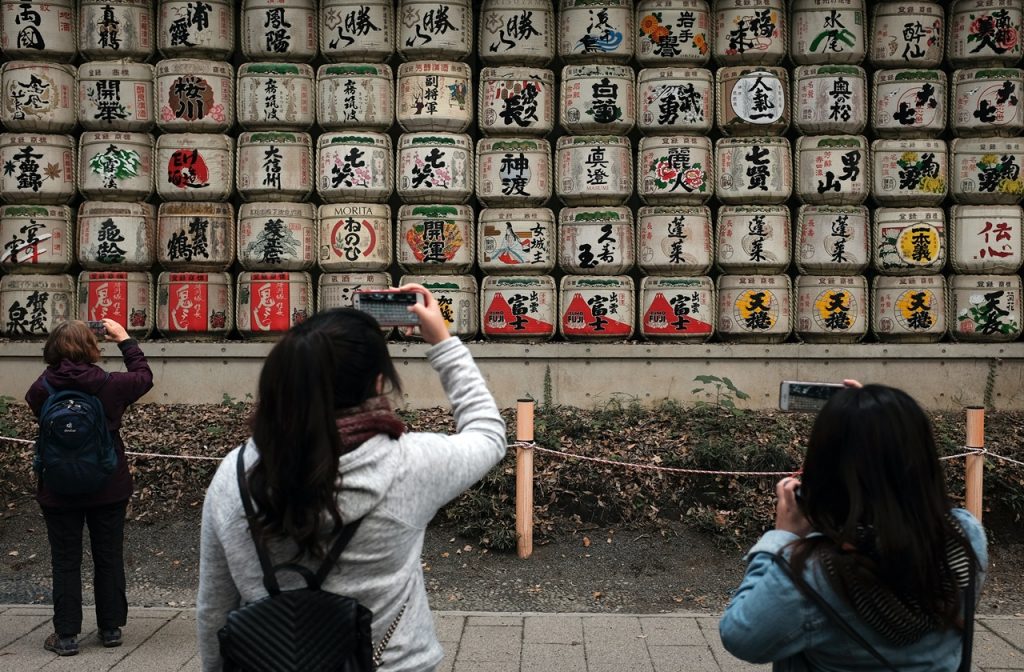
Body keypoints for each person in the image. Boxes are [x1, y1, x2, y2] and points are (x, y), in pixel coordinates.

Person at [196, 284, 507, 672]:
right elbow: (489, 435)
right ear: (378, 382)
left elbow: (215, 608)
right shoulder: (411, 466)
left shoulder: (237, 473)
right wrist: (442, 340)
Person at [720, 382, 988, 671]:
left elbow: (740, 636)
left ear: (824, 469)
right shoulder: (964, 534)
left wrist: (780, 538)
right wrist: (880, 419)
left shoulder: (811, 575)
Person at [26, 319, 154, 656]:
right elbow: (144, 376)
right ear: (93, 349)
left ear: (52, 349)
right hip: (108, 484)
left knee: (65, 560)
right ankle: (110, 629)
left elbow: (36, 407)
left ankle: (66, 636)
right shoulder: (111, 385)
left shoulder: (42, 388)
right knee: (108, 556)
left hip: (58, 487)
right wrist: (125, 339)